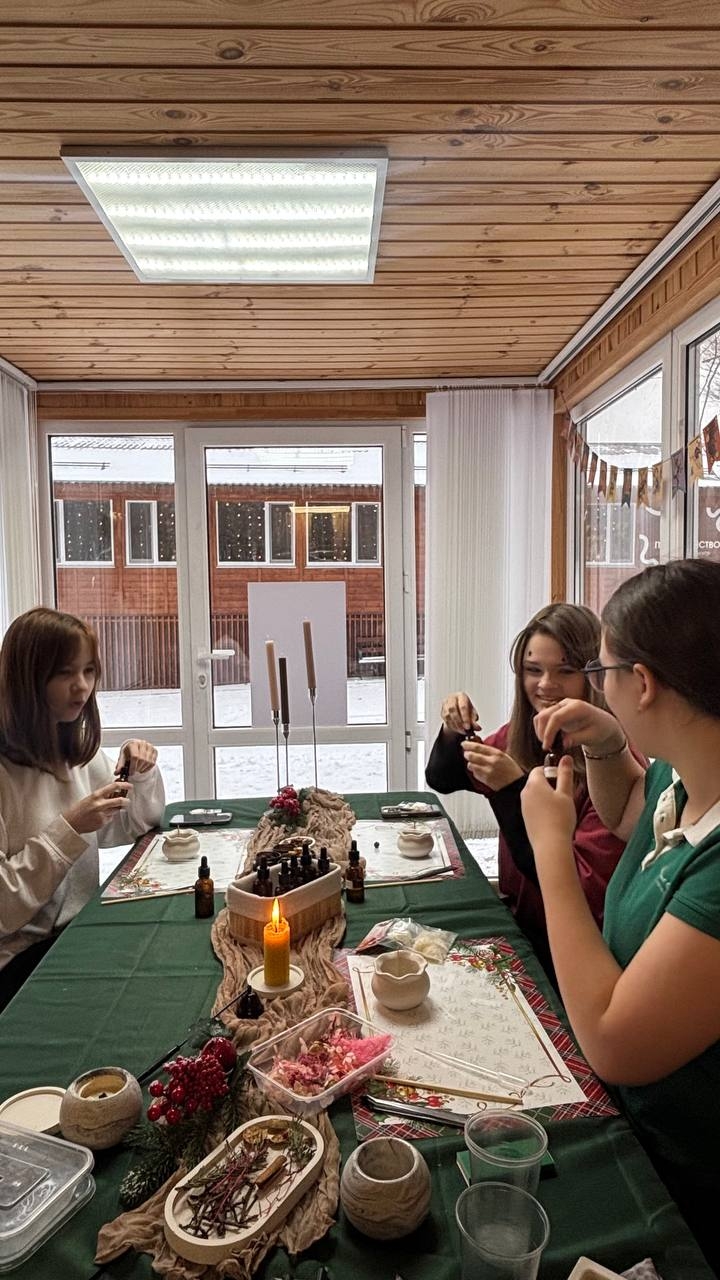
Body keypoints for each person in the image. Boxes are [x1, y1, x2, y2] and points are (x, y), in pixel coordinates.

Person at [521, 560, 720, 1270]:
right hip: (641, 1132)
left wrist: (551, 848)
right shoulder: (684, 768)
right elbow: (635, 810)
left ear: (642, 682)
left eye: (599, 672)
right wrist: (607, 742)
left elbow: (612, 1040)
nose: (594, 684)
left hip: (692, 1186)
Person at [425, 603, 629, 976]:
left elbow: (581, 891)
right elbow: (443, 778)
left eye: (565, 671)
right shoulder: (520, 735)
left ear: (594, 675)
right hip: (522, 928)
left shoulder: (615, 764)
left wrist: (512, 789)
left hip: (577, 954)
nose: (546, 685)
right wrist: (454, 729)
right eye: (533, 670)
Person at [0, 607, 165, 1010]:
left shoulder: (73, 753)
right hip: (19, 965)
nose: (82, 686)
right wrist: (69, 828)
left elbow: (132, 826)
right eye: (65, 673)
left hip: (77, 939)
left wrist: (140, 774)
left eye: (89, 671)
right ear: (27, 679)